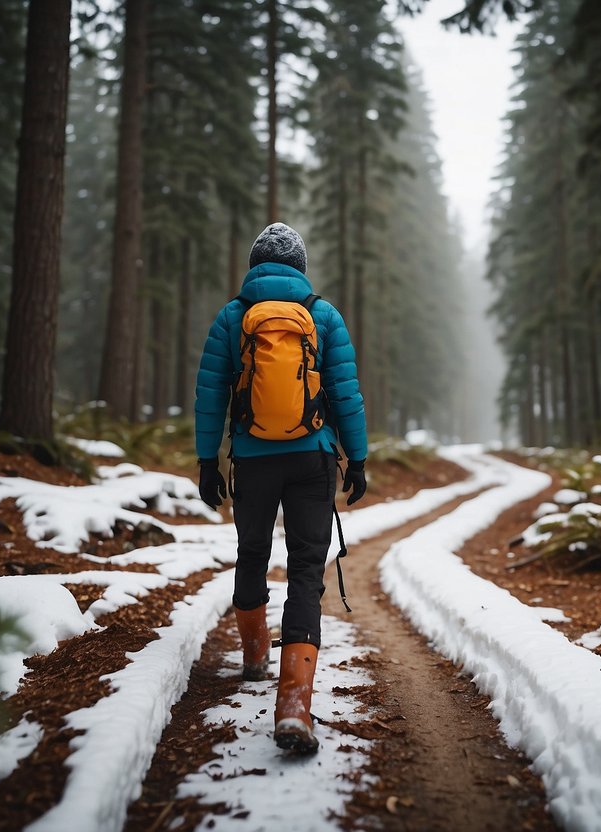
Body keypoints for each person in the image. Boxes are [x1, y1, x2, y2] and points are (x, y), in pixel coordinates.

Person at [193, 222, 368, 753]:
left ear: (255, 265)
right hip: (313, 458)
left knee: (251, 553)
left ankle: (253, 654)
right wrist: (356, 458)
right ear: (300, 266)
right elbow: (344, 391)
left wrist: (208, 460)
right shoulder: (323, 314)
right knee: (306, 569)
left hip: (251, 458)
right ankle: (294, 705)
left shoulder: (232, 315)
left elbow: (211, 392)